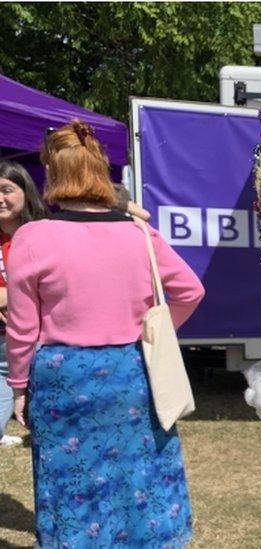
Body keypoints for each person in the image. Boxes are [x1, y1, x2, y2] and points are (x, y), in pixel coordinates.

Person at [6, 119, 205, 548]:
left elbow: (23, 327)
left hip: (65, 379)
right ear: (99, 172)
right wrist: (155, 333)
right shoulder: (139, 233)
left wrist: (18, 386)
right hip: (133, 372)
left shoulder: (33, 237)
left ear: (51, 173)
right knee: (140, 473)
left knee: (69, 479)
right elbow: (191, 290)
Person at [0, 161, 48, 447]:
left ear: (26, 192)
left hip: (44, 342)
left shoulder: (46, 233)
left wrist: (8, 296)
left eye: (7, 189)